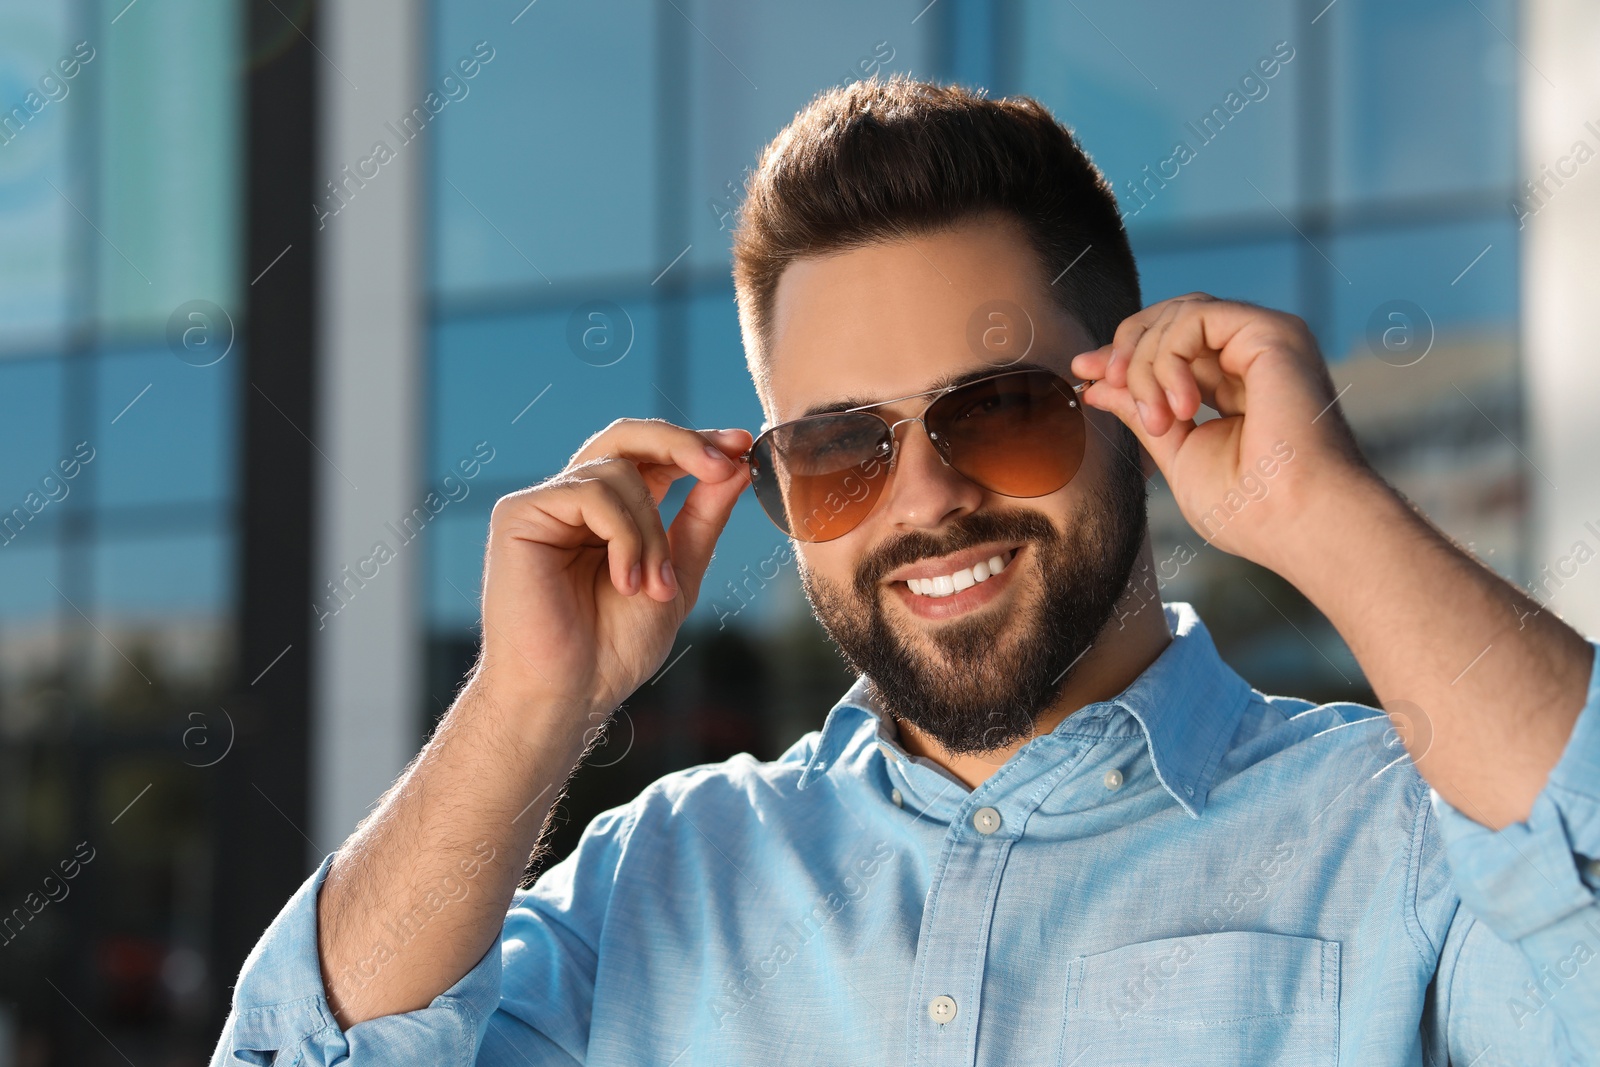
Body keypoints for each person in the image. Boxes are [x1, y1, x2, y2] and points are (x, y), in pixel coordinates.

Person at [210, 75, 1600, 1066]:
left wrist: (1326, 514)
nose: (927, 498)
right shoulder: (665, 877)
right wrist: (527, 709)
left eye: (996, 409)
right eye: (839, 449)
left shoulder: (1399, 838)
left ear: (1129, 402)